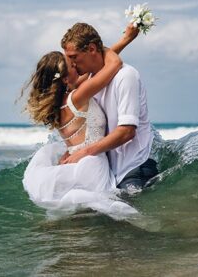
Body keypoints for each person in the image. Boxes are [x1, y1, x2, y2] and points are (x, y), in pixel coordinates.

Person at [20, 24, 139, 218]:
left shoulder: (57, 106)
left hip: (73, 161)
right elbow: (112, 65)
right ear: (65, 77)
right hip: (91, 162)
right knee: (103, 209)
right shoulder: (77, 97)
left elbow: (97, 68)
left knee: (82, 212)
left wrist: (117, 43)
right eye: (71, 65)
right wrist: (122, 41)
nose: (76, 66)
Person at [61, 22, 158, 192]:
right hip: (110, 171)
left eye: (74, 57)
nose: (72, 64)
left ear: (91, 49)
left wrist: (83, 153)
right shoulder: (91, 80)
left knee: (126, 216)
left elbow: (127, 131)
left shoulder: (125, 76)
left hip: (133, 168)